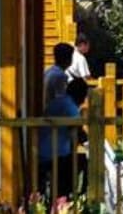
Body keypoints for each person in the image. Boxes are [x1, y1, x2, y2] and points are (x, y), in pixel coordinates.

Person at [37, 68, 79, 201]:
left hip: (41, 151)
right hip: (55, 154)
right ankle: (66, 197)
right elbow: (77, 131)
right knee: (78, 162)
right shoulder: (71, 106)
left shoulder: (58, 101)